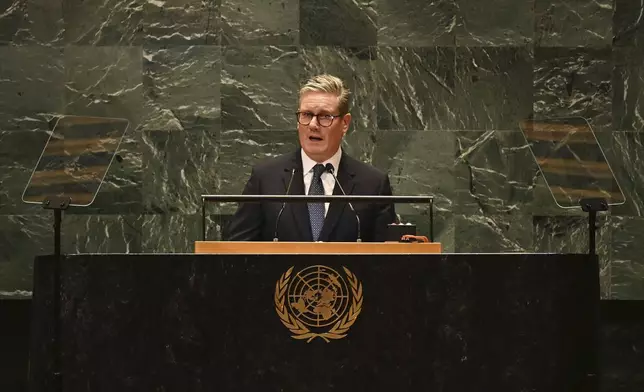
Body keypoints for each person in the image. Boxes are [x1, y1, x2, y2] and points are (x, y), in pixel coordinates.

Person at [224, 74, 396, 242]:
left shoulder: (373, 184)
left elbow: (388, 259)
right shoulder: (266, 178)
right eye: (306, 115)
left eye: (324, 116)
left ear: (345, 123)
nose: (313, 125)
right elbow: (237, 252)